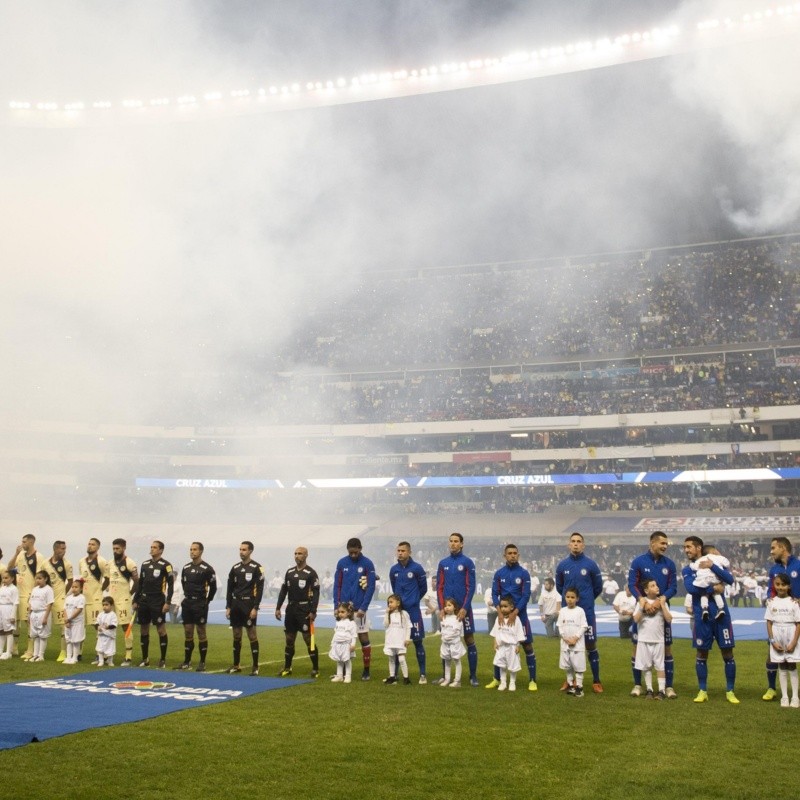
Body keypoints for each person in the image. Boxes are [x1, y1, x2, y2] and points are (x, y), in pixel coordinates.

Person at [682, 536, 739, 704]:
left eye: (689, 547)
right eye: (685, 548)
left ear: (699, 548)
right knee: (701, 653)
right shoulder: (688, 569)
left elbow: (730, 580)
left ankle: (730, 691)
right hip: (702, 616)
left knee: (728, 653)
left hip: (721, 616)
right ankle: (702, 691)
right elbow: (691, 588)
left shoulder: (714, 562)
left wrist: (712, 566)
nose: (686, 550)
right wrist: (714, 587)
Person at [628, 530, 678, 698]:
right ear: (652, 543)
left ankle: (668, 687)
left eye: (666, 543)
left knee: (667, 648)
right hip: (643, 610)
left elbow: (673, 587)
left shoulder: (669, 564)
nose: (665, 546)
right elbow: (632, 584)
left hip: (662, 610)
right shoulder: (638, 562)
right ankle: (638, 685)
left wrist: (660, 601)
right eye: (662, 543)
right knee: (637, 648)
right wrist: (641, 600)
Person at [555, 532, 603, 692]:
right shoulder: (562, 565)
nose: (576, 544)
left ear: (583, 545)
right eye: (573, 541)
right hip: (567, 614)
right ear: (569, 544)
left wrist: (586, 600)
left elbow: (598, 587)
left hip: (586, 612)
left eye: (579, 541)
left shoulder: (591, 565)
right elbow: (560, 587)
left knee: (590, 645)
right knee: (568, 644)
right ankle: (570, 681)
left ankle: (596, 681)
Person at [486, 543, 537, 691]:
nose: (512, 555)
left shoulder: (524, 573)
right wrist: (500, 612)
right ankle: (497, 679)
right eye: (510, 553)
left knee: (527, 646)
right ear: (505, 555)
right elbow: (495, 594)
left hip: (520, 616)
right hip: (503, 616)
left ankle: (532, 680)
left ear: (518, 555)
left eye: (515, 553)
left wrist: (515, 613)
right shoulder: (499, 573)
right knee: (499, 647)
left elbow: (526, 595)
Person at [436, 532, 479, 686]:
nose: (453, 543)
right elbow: (439, 587)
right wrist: (442, 607)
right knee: (446, 640)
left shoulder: (467, 562)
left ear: (462, 544)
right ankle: (445, 676)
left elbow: (471, 586)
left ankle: (473, 676)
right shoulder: (443, 563)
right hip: (447, 611)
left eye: (456, 541)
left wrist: (465, 607)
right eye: (451, 541)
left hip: (463, 610)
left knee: (469, 639)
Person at [333, 537, 376, 681]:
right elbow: (337, 585)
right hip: (344, 610)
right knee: (342, 638)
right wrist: (336, 606)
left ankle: (366, 670)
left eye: (355, 552)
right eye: (350, 553)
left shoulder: (367, 563)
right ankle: (342, 671)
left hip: (359, 609)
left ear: (360, 548)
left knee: (363, 637)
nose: (353, 555)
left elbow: (370, 587)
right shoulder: (341, 563)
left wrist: (364, 607)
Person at [763, 536, 800, 701]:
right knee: (772, 652)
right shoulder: (773, 570)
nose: (771, 552)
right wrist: (768, 599)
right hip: (780, 618)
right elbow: (771, 590)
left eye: (773, 548)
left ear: (783, 548)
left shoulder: (798, 565)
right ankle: (772, 688)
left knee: (795, 653)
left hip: (796, 617)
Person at [275, 546, 320, 678]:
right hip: (291, 609)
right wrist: (278, 607)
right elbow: (284, 591)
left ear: (306, 555)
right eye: (295, 553)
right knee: (289, 639)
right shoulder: (289, 572)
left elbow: (316, 593)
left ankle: (315, 668)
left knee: (308, 639)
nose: (296, 556)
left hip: (304, 609)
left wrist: (313, 610)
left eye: (300, 553)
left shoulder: (311, 573)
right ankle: (287, 667)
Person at [389, 541, 428, 683]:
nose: (400, 553)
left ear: (409, 552)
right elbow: (394, 588)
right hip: (399, 613)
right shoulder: (394, 570)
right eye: (398, 550)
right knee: (397, 643)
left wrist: (414, 600)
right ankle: (395, 675)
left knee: (418, 641)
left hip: (413, 611)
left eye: (403, 551)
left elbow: (423, 588)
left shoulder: (417, 568)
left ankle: (422, 674)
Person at [175, 542, 217, 672]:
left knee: (201, 632)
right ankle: (187, 662)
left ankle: (202, 662)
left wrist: (207, 601)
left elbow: (213, 587)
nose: (192, 552)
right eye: (191, 549)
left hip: (200, 603)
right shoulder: (186, 568)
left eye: (195, 550)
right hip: (187, 603)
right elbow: (183, 582)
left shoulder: (207, 568)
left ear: (201, 551)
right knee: (188, 632)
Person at [225, 541, 264, 676]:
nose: (241, 552)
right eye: (240, 549)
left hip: (248, 605)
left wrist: (255, 608)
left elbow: (259, 590)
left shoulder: (257, 568)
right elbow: (229, 588)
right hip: (236, 605)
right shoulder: (235, 568)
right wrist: (228, 606)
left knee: (252, 635)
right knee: (236, 635)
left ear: (250, 551)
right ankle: (236, 665)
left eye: (244, 550)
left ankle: (255, 666)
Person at [133, 540, 174, 669]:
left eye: (155, 547)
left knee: (161, 630)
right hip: (144, 601)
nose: (152, 549)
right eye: (151, 547)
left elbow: (171, 585)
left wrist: (168, 602)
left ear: (161, 550)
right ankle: (145, 659)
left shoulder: (166, 565)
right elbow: (140, 584)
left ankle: (162, 659)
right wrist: (136, 600)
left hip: (158, 601)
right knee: (143, 629)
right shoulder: (145, 565)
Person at [632, 578, 673, 700]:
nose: (656, 587)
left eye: (656, 585)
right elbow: (635, 619)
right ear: (646, 590)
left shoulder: (662, 602)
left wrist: (662, 605)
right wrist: (642, 607)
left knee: (660, 666)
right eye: (653, 585)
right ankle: (649, 690)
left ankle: (661, 691)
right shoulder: (641, 602)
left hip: (659, 640)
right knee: (647, 666)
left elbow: (669, 619)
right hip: (644, 639)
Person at [8, 534, 46, 659]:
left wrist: (33, 594)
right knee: (15, 621)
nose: (22, 543)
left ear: (31, 542)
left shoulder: (38, 557)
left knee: (28, 622)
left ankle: (30, 650)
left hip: (28, 595)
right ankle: (14, 648)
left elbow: (38, 576)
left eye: (24, 541)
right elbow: (9, 568)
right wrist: (15, 553)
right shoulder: (20, 555)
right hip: (18, 594)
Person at [107, 538, 139, 666]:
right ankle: (108, 655)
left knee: (125, 627)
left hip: (123, 600)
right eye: (114, 548)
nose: (115, 551)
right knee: (109, 626)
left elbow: (137, 581)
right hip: (111, 599)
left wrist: (130, 594)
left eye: (118, 548)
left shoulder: (130, 563)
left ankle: (128, 656)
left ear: (124, 548)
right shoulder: (110, 563)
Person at [43, 540, 73, 663]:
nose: (64, 551)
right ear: (55, 549)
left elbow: (70, 582)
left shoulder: (66, 564)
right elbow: (40, 578)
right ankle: (37, 652)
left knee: (63, 626)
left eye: (65, 549)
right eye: (62, 549)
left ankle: (63, 652)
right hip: (46, 599)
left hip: (59, 599)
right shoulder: (45, 563)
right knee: (39, 624)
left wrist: (63, 594)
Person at [489, 595, 526, 692]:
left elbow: (519, 633)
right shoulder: (498, 619)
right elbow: (496, 632)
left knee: (513, 666)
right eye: (501, 607)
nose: (503, 609)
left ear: (512, 607)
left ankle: (512, 682)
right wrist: (495, 643)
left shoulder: (516, 619)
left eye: (505, 606)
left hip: (512, 647)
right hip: (501, 647)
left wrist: (518, 645)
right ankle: (503, 682)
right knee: (501, 665)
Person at [557, 587, 588, 697]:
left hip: (577, 645)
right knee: (568, 666)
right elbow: (560, 626)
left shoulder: (580, 611)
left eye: (572, 597)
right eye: (568, 597)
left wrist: (575, 638)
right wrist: (565, 637)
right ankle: (570, 685)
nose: (570, 599)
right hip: (565, 644)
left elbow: (584, 626)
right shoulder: (562, 611)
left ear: (577, 599)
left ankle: (579, 687)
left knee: (578, 667)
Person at [689, 545, 730, 621]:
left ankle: (704, 609)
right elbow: (727, 563)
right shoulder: (719, 557)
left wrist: (690, 565)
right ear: (714, 551)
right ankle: (721, 608)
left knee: (704, 594)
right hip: (715, 579)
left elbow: (694, 567)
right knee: (716, 593)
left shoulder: (701, 559)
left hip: (703, 580)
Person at [79, 538, 110, 632]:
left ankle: (101, 646)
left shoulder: (101, 561)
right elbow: (82, 579)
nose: (90, 546)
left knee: (97, 625)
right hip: (84, 598)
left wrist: (100, 590)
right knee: (80, 626)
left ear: (98, 547)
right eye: (89, 544)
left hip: (95, 598)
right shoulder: (81, 561)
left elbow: (107, 579)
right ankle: (79, 647)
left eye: (93, 544)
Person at [383, 593, 412, 685]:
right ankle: (392, 677)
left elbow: (408, 626)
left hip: (400, 641)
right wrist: (387, 613)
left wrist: (407, 638)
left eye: (391, 602)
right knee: (391, 659)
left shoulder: (404, 614)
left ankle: (406, 678)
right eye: (388, 603)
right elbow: (385, 625)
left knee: (401, 659)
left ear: (398, 603)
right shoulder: (388, 614)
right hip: (390, 640)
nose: (389, 604)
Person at [27, 570, 54, 662]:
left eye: (40, 578)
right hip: (34, 613)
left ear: (45, 579)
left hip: (43, 613)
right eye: (36, 578)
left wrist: (45, 617)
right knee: (35, 635)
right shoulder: (34, 589)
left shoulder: (48, 589)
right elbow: (30, 602)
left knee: (42, 635)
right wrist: (29, 615)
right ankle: (35, 655)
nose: (38, 580)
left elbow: (50, 604)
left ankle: (41, 655)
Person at [439, 597, 466, 688]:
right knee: (447, 661)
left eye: (449, 605)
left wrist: (450, 638)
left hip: (455, 644)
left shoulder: (457, 618)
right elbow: (442, 630)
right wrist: (444, 638)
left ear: (454, 607)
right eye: (445, 606)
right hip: (445, 644)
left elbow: (459, 633)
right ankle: (447, 679)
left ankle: (457, 681)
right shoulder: (443, 618)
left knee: (457, 661)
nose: (446, 607)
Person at [329, 602, 357, 683]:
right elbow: (336, 633)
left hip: (346, 645)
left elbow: (354, 635)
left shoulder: (351, 623)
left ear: (348, 613)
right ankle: (339, 676)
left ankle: (348, 676)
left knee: (347, 660)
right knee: (339, 660)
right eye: (339, 612)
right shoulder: (338, 622)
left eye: (343, 612)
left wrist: (353, 644)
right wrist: (332, 643)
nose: (340, 614)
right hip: (337, 644)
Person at [63, 577, 86, 664]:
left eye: (76, 587)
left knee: (75, 640)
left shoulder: (81, 598)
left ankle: (75, 657)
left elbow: (79, 610)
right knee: (68, 640)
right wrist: (66, 619)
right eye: (72, 587)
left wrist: (69, 619)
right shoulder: (68, 598)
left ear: (81, 588)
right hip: (68, 623)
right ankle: (68, 657)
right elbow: (64, 609)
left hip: (76, 623)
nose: (74, 589)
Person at [0, 570, 20, 659]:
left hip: (8, 609)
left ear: (12, 579)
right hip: (1, 609)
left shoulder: (14, 589)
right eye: (3, 578)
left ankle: (8, 652)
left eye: (6, 578)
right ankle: (0, 650)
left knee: (8, 631)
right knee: (1, 631)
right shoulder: (2, 588)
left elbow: (16, 602)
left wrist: (13, 615)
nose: (4, 580)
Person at [95, 596, 118, 667]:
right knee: (100, 649)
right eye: (103, 605)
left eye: (107, 605)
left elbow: (114, 625)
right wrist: (97, 627)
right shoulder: (100, 614)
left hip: (109, 635)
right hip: (101, 635)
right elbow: (96, 623)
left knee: (110, 649)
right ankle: (101, 661)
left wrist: (108, 627)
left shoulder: (113, 615)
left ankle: (110, 661)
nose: (104, 606)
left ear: (111, 605)